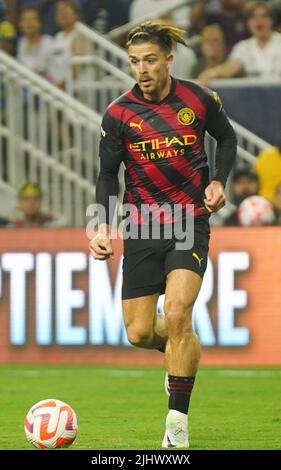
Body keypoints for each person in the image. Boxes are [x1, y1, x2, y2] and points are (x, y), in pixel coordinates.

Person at [89, 21, 237, 448]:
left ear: (169, 60)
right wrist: (101, 224)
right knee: (138, 333)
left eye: (150, 60)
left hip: (190, 220)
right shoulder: (118, 113)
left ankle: (177, 426)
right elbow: (106, 175)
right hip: (142, 226)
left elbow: (226, 141)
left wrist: (220, 181)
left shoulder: (200, 98)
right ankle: (178, 354)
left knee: (177, 314)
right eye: (135, 62)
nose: (142, 69)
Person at [199, 2, 281, 84]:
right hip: (254, 95)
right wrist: (211, 73)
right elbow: (229, 68)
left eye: (264, 16)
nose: (259, 21)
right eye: (254, 17)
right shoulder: (243, 47)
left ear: (271, 20)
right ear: (248, 23)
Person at [17, 6, 53, 77]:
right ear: (20, 24)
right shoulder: (21, 42)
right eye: (25, 19)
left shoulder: (48, 42)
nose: (28, 23)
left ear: (40, 23)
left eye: (33, 19)